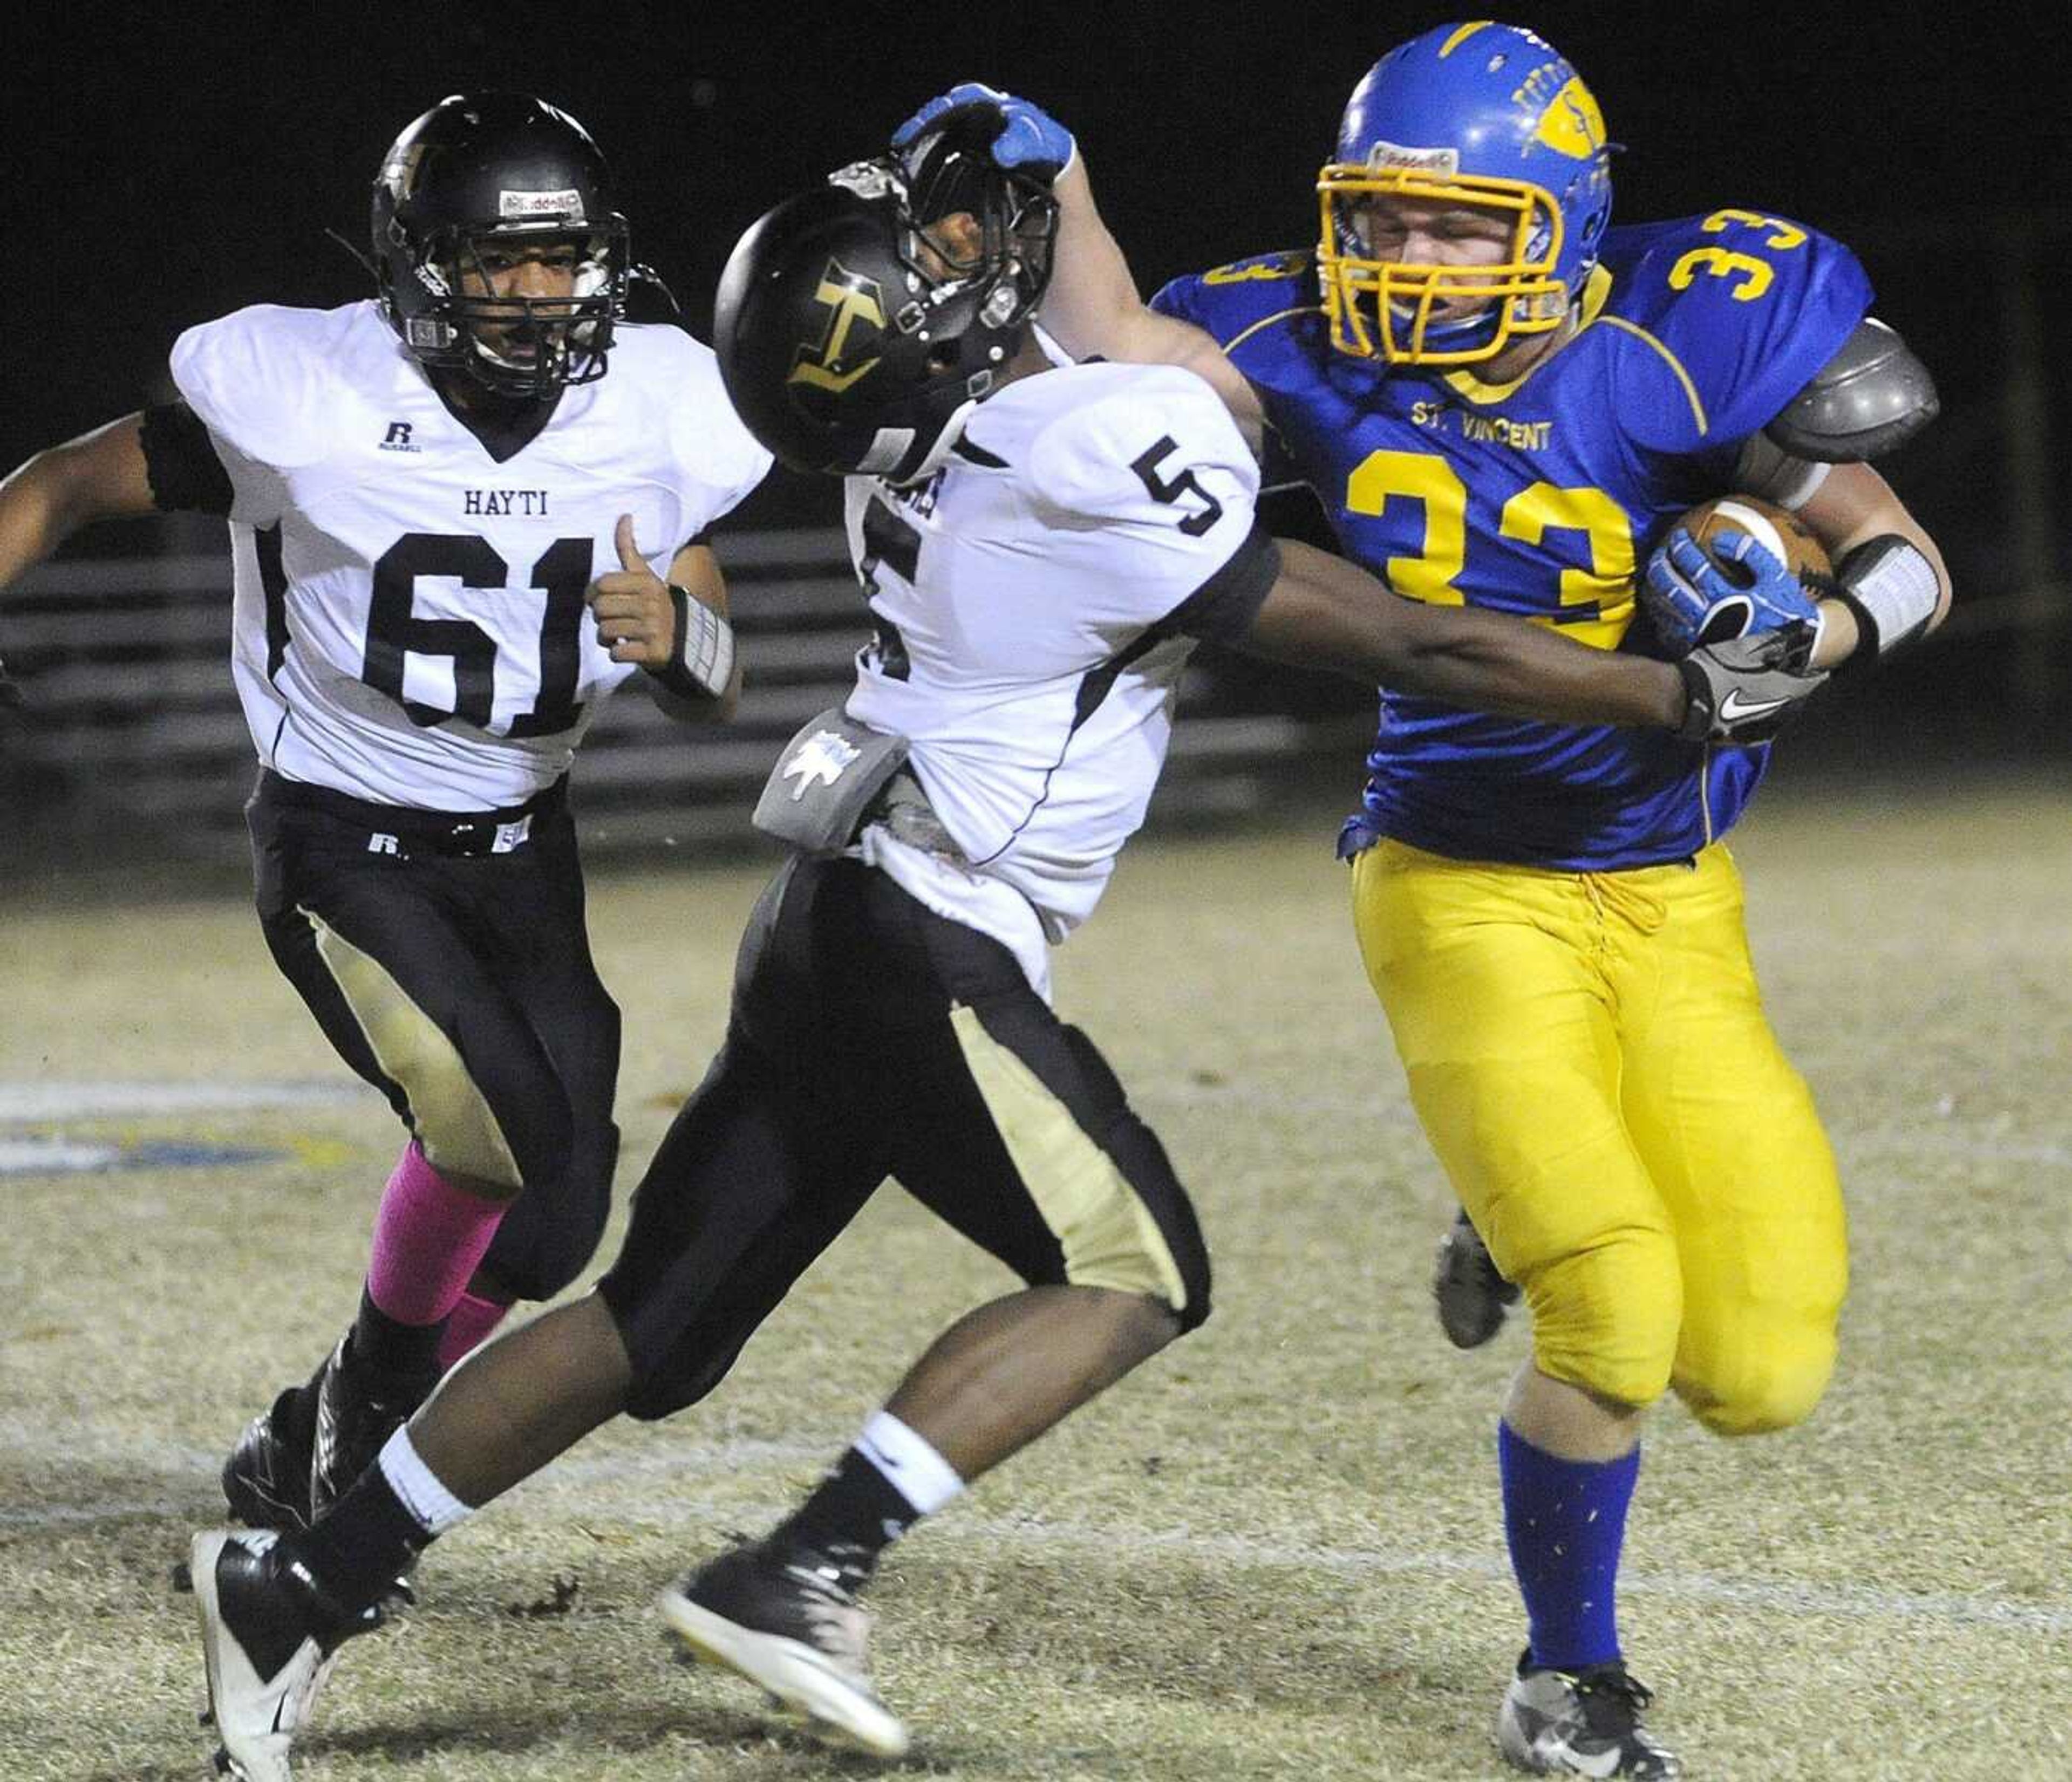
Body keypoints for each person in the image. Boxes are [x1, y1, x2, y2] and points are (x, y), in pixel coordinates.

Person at [183, 134, 1821, 1781]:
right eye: (940, 262)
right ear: (917, 327)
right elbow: (1414, 635)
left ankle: (302, 1589)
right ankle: (801, 1571)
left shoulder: (902, 445)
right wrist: (1674, 699)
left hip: (826, 917)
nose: (977, 265)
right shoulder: (1087, 450)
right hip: (928, 932)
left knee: (652, 1327)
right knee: (1136, 1274)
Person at [895, 24, 1951, 1777]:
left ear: (1562, 220)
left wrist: (1804, 639)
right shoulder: (1307, 335)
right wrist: (1061, 177)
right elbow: (1124, 351)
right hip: (1455, 879)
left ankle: (1499, 1205)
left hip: (1675, 890)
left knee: (1761, 1371)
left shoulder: (1673, 342)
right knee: (1610, 1306)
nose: (1408, 261)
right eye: (1383, 221)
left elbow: (1900, 553)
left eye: (1462, 228)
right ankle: (1570, 1677)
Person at [0, 93, 767, 1534]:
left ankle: (333, 1418)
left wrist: (683, 642)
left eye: (564, 260)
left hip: (526, 849)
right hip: (345, 844)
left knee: (559, 1219)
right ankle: (358, 1440)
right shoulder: (313, 402)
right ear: (419, 264)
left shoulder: (649, 412)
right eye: (501, 262)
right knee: (496, 1134)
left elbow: (716, 676)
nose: (541, 296)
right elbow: (59, 484)